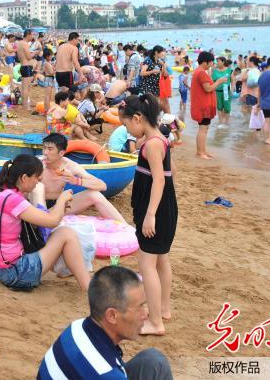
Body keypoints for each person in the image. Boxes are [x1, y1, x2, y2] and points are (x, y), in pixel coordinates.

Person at [38, 266, 173, 380]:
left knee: (154, 362)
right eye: (139, 307)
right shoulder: (106, 374)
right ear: (112, 316)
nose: (145, 315)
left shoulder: (77, 326)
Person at [0, 154, 91, 291]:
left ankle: (81, 279)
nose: (38, 183)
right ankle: (88, 286)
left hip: (3, 270)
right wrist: (61, 200)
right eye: (37, 179)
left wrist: (60, 208)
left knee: (60, 234)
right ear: (24, 178)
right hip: (17, 273)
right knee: (66, 234)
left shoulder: (3, 194)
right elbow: (51, 222)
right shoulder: (14, 200)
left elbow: (42, 219)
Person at [118, 94, 177, 336]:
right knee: (161, 259)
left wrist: (150, 214)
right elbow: (171, 172)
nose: (128, 131)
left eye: (126, 125)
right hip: (165, 207)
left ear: (138, 118)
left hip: (156, 209)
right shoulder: (159, 139)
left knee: (147, 263)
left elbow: (160, 180)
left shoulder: (152, 144)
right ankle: (164, 310)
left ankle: (155, 322)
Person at [31, 132, 127, 221]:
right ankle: (42, 226)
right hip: (36, 208)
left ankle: (127, 229)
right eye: (44, 148)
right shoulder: (36, 163)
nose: (45, 152)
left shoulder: (69, 166)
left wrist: (76, 181)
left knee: (94, 195)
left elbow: (102, 186)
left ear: (61, 153)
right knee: (38, 187)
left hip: (57, 207)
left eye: (50, 149)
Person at [190, 51, 227, 159]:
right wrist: (219, 81)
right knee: (203, 128)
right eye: (211, 62)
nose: (213, 64)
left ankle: (202, 151)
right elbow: (208, 88)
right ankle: (200, 152)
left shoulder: (199, 71)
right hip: (203, 105)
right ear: (206, 62)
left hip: (201, 104)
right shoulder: (201, 72)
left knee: (204, 128)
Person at [212, 57, 233, 127]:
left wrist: (232, 89)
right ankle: (220, 121)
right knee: (219, 106)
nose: (217, 63)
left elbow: (233, 80)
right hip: (217, 91)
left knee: (227, 107)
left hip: (226, 90)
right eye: (217, 61)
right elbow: (212, 82)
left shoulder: (229, 70)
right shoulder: (215, 71)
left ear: (223, 62)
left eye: (218, 61)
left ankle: (227, 122)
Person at [17, 29, 35, 108]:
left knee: (25, 86)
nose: (33, 36)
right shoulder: (25, 44)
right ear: (28, 35)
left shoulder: (18, 43)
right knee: (26, 87)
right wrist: (35, 53)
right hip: (27, 66)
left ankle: (26, 102)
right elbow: (29, 57)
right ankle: (25, 104)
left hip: (22, 65)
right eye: (32, 34)